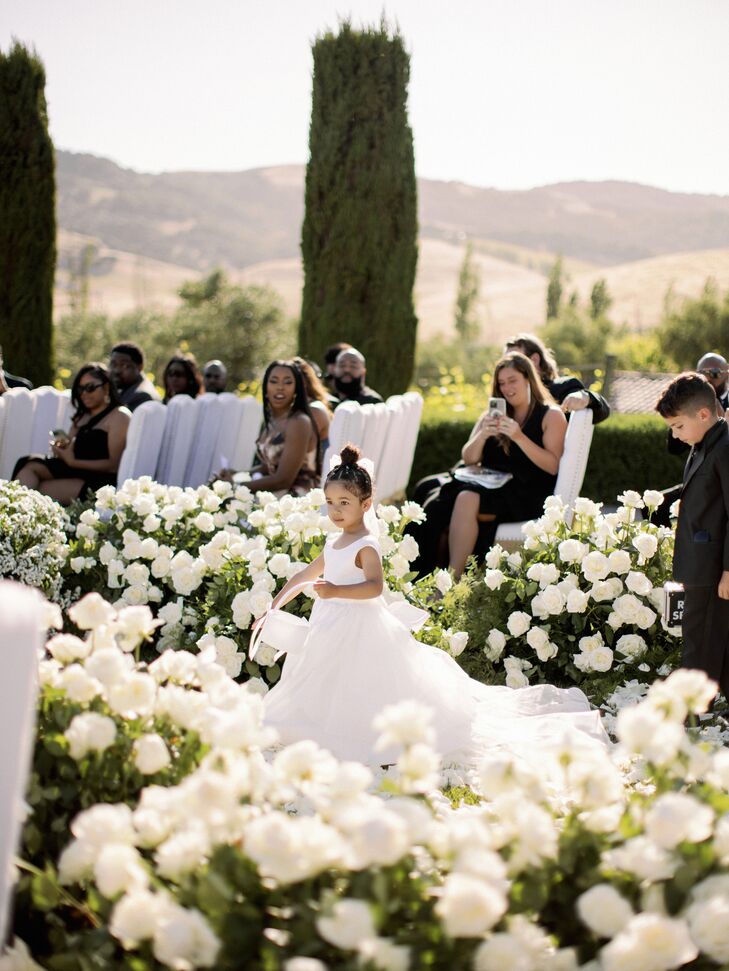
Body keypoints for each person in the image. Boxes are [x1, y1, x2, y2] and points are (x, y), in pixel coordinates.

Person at [261, 444, 607, 770]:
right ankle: (327, 724)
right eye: (331, 502)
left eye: (344, 503)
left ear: (366, 504)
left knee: (364, 681)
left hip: (359, 623)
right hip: (330, 621)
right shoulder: (334, 539)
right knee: (326, 677)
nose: (335, 511)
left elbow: (374, 587)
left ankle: (362, 731)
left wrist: (336, 590)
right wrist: (274, 607)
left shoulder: (366, 544)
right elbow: (308, 573)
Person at [408, 352, 566, 578]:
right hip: (488, 482)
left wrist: (519, 437)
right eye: (501, 383)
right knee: (434, 500)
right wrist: (483, 434)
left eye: (513, 380)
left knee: (465, 497)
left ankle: (453, 580)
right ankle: (422, 572)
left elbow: (552, 466)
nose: (507, 388)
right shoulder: (493, 414)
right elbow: (469, 458)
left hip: (525, 491)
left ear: (528, 379)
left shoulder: (551, 415)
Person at [656, 373, 729, 703]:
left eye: (678, 426)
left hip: (714, 565)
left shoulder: (724, 449)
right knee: (711, 638)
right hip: (698, 561)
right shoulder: (702, 443)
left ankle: (687, 709)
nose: (675, 434)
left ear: (703, 414)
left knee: (699, 639)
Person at [12, 363, 130, 505]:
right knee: (29, 463)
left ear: (106, 387)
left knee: (37, 492)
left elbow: (113, 465)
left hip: (98, 479)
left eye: (90, 388)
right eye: (80, 389)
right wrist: (62, 449)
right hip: (72, 469)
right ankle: (11, 514)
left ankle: (16, 515)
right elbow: (70, 448)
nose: (84, 393)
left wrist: (73, 461)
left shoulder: (119, 416)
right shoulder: (82, 416)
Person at [218, 360, 320, 496]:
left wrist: (235, 486)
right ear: (266, 387)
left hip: (296, 500)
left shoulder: (299, 422)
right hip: (273, 495)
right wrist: (237, 474)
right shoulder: (273, 420)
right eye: (274, 381)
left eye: (288, 382)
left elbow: (283, 480)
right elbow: (270, 466)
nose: (280, 387)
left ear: (297, 389)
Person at [504, 333, 611, 424]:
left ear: (535, 360)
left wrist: (585, 397)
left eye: (515, 362)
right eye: (505, 363)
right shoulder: (505, 395)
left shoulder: (561, 388)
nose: (508, 368)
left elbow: (602, 411)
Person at [292, 356, 333, 452]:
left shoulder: (315, 410)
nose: (280, 387)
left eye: (288, 380)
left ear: (304, 383)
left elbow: (297, 454)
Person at [109, 342, 160, 411]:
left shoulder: (142, 396)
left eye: (124, 366)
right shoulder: (127, 389)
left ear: (140, 367)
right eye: (113, 364)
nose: (117, 371)